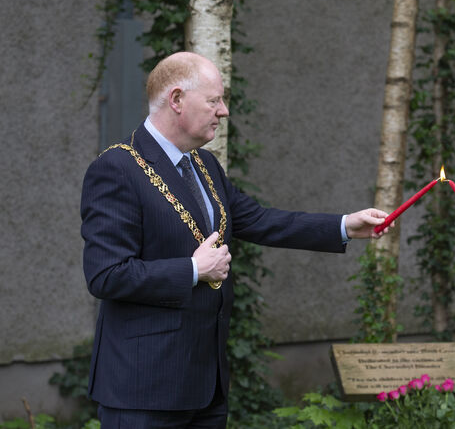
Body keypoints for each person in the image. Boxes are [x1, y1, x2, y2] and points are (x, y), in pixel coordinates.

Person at [80, 51, 391, 428]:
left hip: (205, 385)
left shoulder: (204, 165)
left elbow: (260, 220)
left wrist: (344, 225)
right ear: (176, 100)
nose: (224, 110)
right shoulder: (117, 168)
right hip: (143, 388)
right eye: (214, 100)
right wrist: (193, 269)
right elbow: (107, 275)